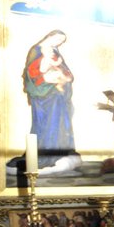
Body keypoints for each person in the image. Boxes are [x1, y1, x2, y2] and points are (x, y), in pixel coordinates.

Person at [20, 29, 80, 172]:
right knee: (46, 125)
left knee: (60, 123)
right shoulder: (36, 51)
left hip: (57, 96)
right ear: (50, 36)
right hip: (43, 97)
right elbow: (31, 75)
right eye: (58, 39)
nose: (59, 43)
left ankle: (61, 153)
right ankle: (45, 156)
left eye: (61, 42)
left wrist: (65, 77)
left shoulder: (54, 52)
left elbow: (64, 70)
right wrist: (46, 79)